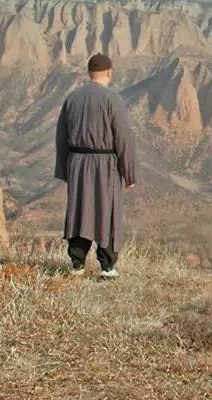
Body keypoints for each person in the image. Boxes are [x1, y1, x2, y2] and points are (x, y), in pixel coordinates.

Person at [54, 53, 138, 278]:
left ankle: (76, 264)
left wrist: (64, 169)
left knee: (79, 210)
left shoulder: (72, 98)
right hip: (105, 164)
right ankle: (108, 267)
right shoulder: (113, 99)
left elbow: (61, 136)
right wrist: (128, 173)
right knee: (107, 210)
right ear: (109, 72)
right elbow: (124, 137)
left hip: (77, 163)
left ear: (89, 72)